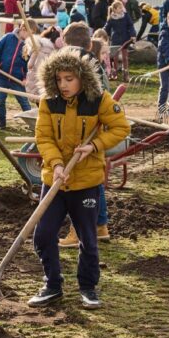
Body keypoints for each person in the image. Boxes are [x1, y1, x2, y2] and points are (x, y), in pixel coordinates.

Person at [30, 47, 130, 309]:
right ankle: (52, 284)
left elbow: (121, 127)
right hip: (56, 180)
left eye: (69, 79)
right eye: (59, 79)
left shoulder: (99, 100)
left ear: (82, 77)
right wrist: (56, 164)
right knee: (43, 235)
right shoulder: (48, 102)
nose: (63, 85)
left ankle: (88, 287)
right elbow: (44, 138)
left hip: (86, 182)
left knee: (88, 237)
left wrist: (94, 146)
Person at [58, 23, 112, 248]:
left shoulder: (67, 61)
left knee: (79, 182)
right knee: (93, 177)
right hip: (94, 124)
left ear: (63, 40)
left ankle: (79, 231)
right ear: (90, 43)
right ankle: (100, 225)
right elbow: (105, 91)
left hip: (78, 127)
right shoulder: (95, 62)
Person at [0, 20, 34, 128]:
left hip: (17, 78)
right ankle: (2, 124)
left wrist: (25, 78)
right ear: (23, 29)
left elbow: (28, 64)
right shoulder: (8, 37)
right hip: (2, 75)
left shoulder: (28, 46)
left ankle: (33, 124)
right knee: (0, 101)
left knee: (23, 101)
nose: (30, 36)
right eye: (30, 33)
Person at [105, 1, 135, 81]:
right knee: (115, 57)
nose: (122, 9)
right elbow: (107, 28)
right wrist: (103, 34)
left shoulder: (125, 16)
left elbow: (130, 25)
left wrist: (133, 35)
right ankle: (114, 73)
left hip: (125, 39)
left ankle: (125, 74)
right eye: (120, 8)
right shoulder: (111, 18)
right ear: (114, 9)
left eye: (122, 7)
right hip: (115, 40)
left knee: (125, 57)